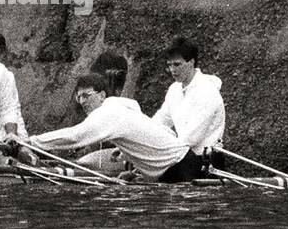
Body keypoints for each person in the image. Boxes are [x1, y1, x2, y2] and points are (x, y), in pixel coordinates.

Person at [29, 73, 201, 183]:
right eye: (78, 97)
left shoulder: (109, 113)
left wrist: (32, 142)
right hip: (178, 164)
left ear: (102, 95)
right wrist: (135, 171)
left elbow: (75, 137)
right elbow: (143, 142)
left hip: (181, 167)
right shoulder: (122, 107)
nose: (82, 102)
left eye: (86, 96)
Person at [152, 37, 225, 160]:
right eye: (169, 65)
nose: (172, 70)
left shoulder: (207, 91)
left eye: (177, 64)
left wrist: (155, 152)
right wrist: (136, 142)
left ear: (191, 62)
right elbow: (161, 121)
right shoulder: (174, 90)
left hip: (206, 162)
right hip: (184, 158)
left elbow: (191, 137)